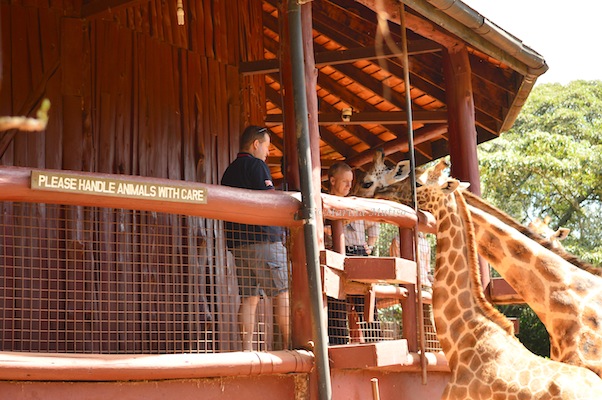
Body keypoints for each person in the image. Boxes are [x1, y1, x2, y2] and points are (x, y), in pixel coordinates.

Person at [221, 125, 290, 351]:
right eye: (267, 147)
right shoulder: (257, 166)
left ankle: (247, 350)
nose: (268, 153)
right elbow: (269, 201)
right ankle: (292, 345)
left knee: (249, 298)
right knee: (281, 293)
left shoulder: (229, 171)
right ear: (256, 144)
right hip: (264, 241)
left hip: (239, 245)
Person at [325, 162, 381, 344]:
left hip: (358, 254)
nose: (350, 185)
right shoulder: (323, 203)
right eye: (345, 181)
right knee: (337, 301)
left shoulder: (355, 204)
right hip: (334, 255)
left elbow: (375, 225)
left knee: (366, 299)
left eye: (351, 181)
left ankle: (375, 342)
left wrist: (369, 246)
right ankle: (338, 345)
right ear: (332, 181)